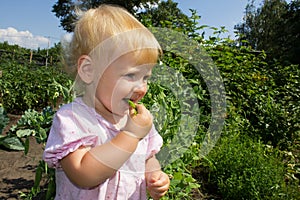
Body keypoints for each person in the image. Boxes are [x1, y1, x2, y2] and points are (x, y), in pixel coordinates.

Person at [43, 4, 170, 200]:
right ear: (88, 71)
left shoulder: (136, 122)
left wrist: (154, 176)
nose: (141, 88)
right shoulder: (73, 119)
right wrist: (129, 135)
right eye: (130, 75)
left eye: (145, 77)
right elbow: (83, 175)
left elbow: (148, 158)